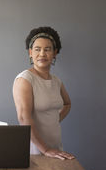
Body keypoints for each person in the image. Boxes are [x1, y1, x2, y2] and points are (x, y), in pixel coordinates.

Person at [13, 26, 74, 160]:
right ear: (30, 52)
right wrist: (45, 149)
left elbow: (67, 104)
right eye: (37, 49)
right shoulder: (25, 79)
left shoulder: (56, 81)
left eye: (47, 49)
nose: (42, 54)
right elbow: (23, 118)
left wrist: (53, 120)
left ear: (55, 53)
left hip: (55, 149)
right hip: (33, 151)